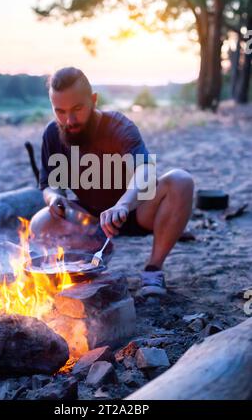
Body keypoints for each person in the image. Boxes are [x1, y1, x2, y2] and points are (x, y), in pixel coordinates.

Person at [30, 67, 194, 295]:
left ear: (93, 100)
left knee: (181, 180)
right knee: (40, 222)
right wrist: (54, 197)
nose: (70, 120)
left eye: (77, 108)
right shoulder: (52, 134)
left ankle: (153, 269)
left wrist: (123, 205)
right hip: (90, 221)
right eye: (60, 111)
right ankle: (85, 263)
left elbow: (146, 171)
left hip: (135, 211)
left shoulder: (119, 126)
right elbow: (50, 184)